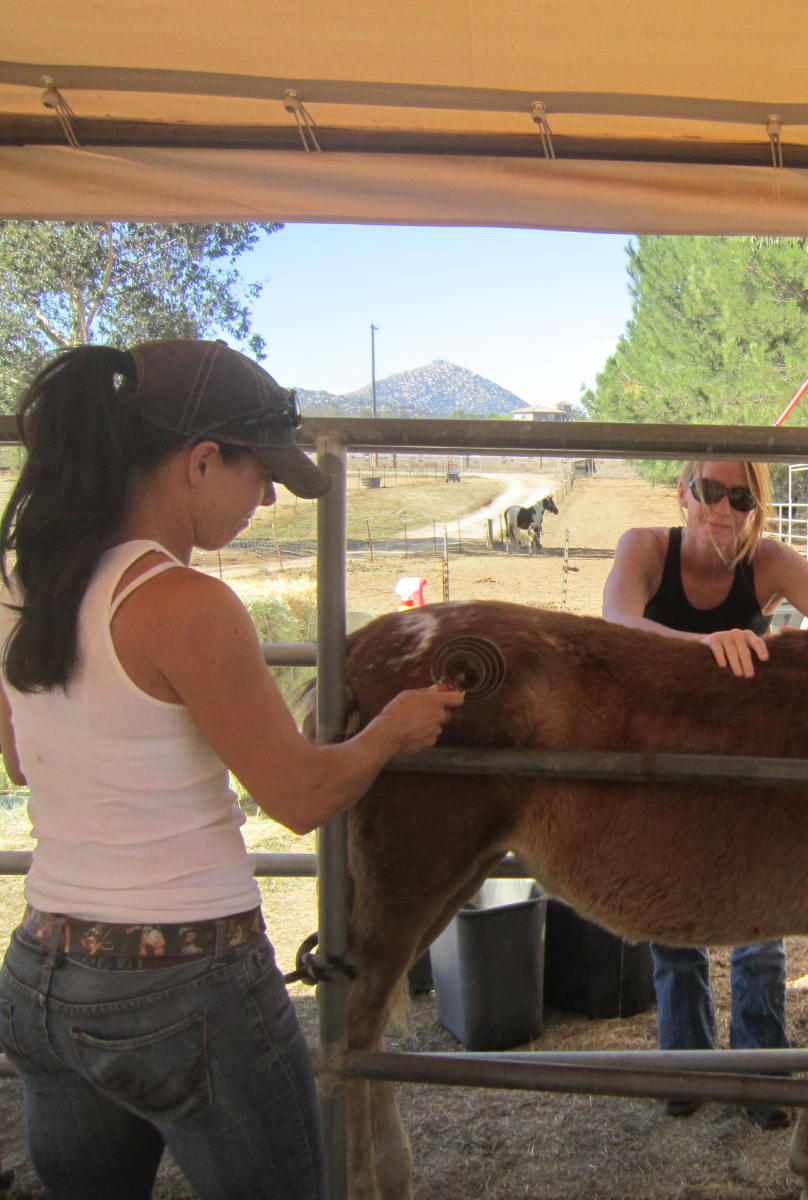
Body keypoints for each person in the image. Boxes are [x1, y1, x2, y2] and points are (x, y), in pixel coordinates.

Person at [0, 340, 464, 1199]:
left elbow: (22, 761)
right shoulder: (187, 604)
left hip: (43, 969)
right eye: (262, 474)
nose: (268, 498)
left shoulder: (24, 584)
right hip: (185, 980)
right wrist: (391, 731)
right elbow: (299, 795)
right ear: (202, 460)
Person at [602, 458, 808, 1130]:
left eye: (740, 498)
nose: (722, 509)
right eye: (711, 491)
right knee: (672, 922)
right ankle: (685, 1071)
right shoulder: (645, 549)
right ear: (684, 491)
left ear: (756, 509)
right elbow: (616, 624)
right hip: (665, 758)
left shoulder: (768, 561)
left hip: (745, 761)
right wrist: (706, 644)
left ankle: (761, 1077)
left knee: (761, 923)